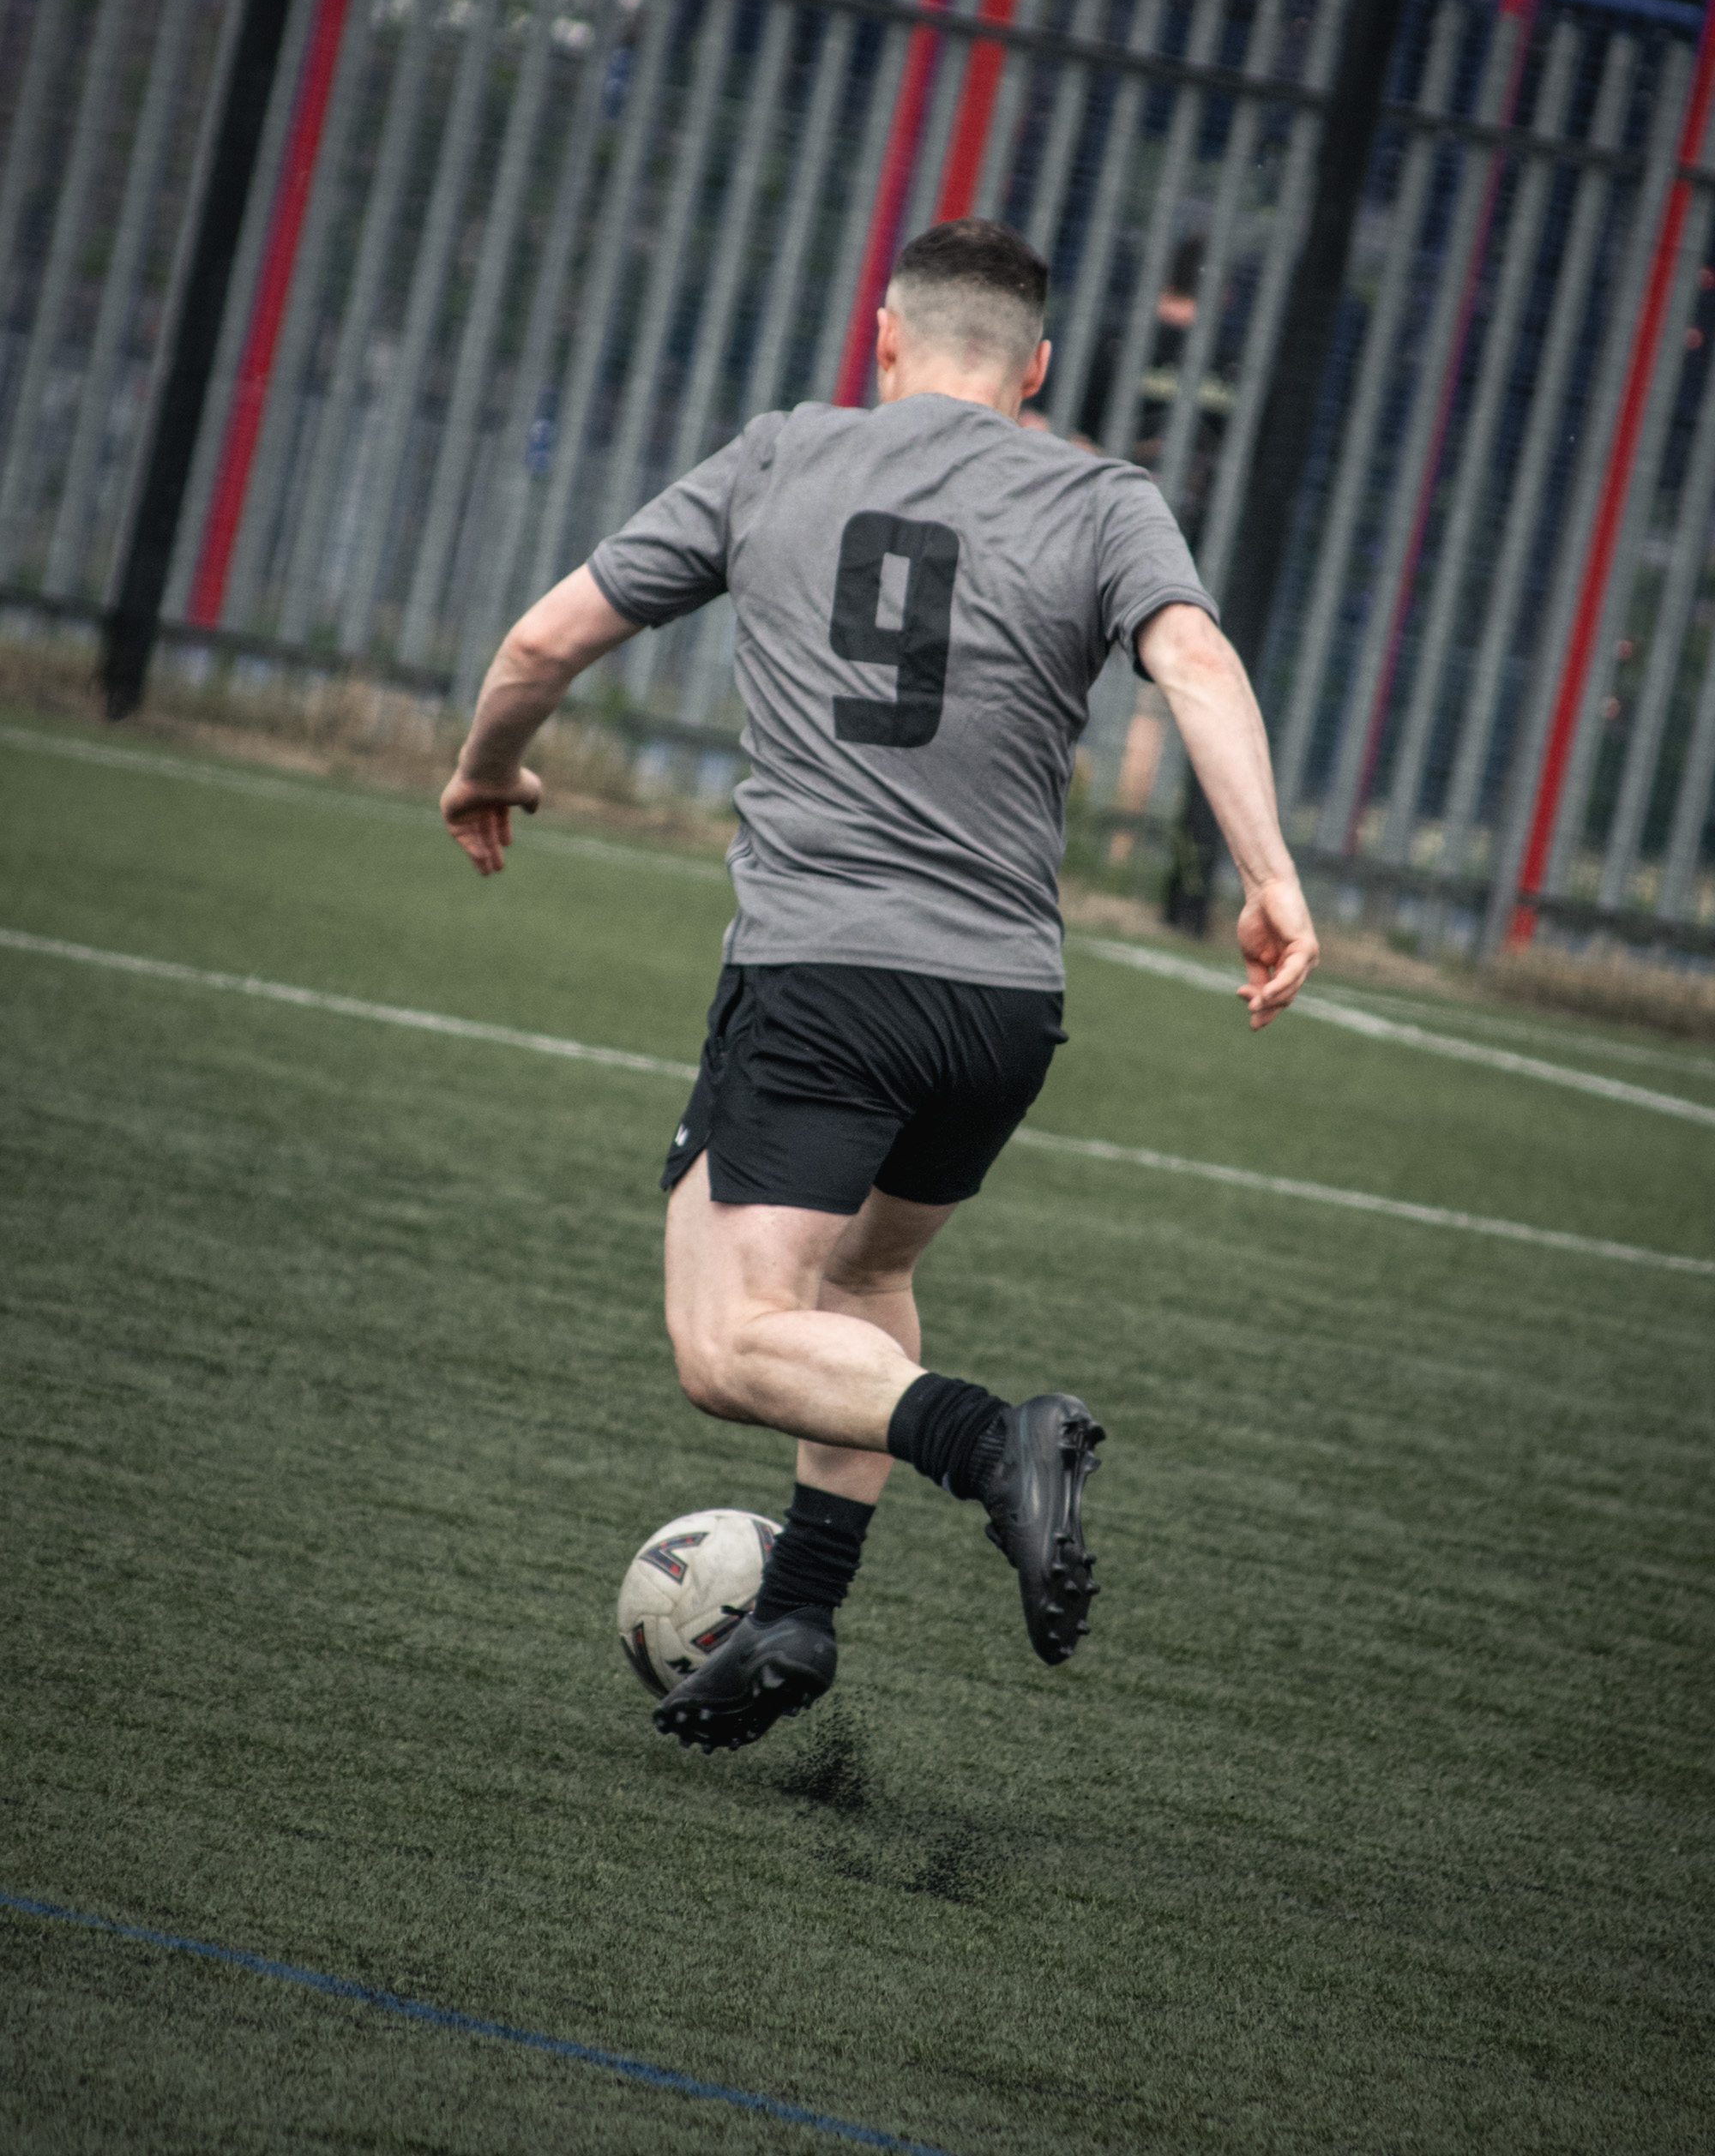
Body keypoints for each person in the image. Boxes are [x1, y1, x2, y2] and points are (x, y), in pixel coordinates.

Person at [440, 219, 1319, 1754]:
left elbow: (544, 635)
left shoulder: (784, 456)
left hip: (825, 978)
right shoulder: (1106, 495)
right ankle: (801, 1608)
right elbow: (1198, 667)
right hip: (1002, 1011)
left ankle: (995, 1442)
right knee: (861, 1280)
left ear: (884, 337)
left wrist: (487, 765)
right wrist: (1271, 877)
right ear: (1036, 369)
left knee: (728, 1345)